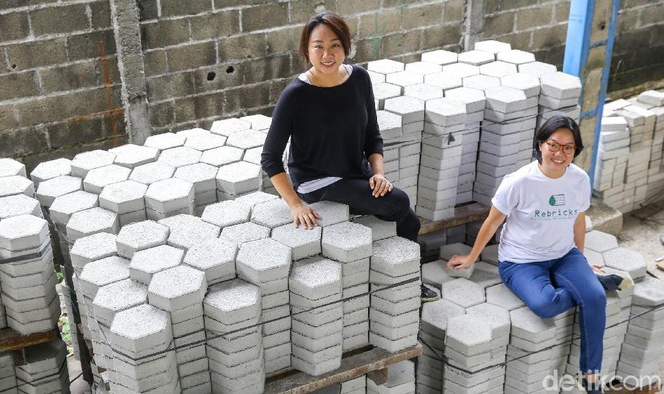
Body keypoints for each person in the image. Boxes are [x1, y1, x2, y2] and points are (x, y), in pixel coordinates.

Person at [446, 115, 632, 393]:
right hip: (520, 262)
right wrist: (472, 257)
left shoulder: (579, 179)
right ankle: (595, 283)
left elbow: (578, 220)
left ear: (575, 151)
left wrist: (579, 258)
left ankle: (591, 376)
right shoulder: (519, 181)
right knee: (547, 304)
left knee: (593, 299)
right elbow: (493, 221)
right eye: (553, 145)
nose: (560, 153)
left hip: (563, 254)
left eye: (568, 148)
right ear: (540, 145)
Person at [260, 11, 437, 301]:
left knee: (411, 221)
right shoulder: (295, 95)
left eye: (335, 45)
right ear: (307, 49)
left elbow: (372, 136)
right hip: (319, 181)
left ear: (346, 46)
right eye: (318, 46)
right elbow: (270, 158)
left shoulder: (360, 79)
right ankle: (408, 284)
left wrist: (378, 173)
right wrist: (294, 204)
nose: (327, 54)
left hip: (357, 170)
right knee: (399, 202)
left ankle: (407, 281)